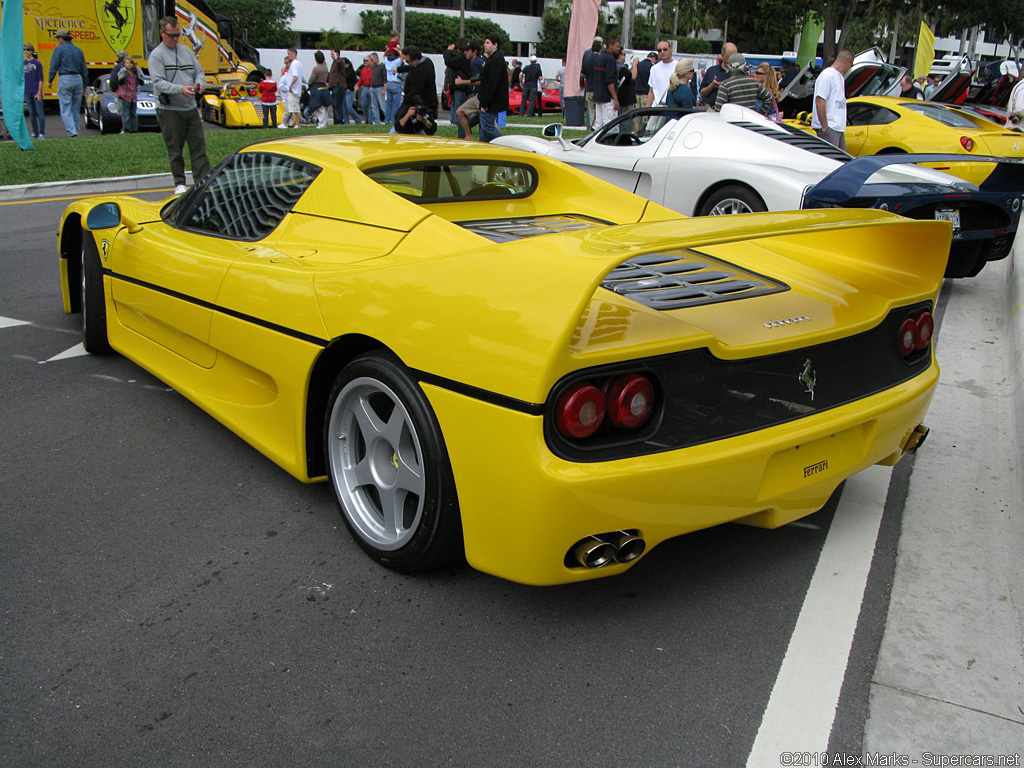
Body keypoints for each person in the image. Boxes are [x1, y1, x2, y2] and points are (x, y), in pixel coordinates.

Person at [148, 16, 211, 194]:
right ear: (162, 33)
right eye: (171, 35)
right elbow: (158, 82)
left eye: (178, 35)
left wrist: (200, 84)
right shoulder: (157, 56)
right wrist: (180, 89)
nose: (175, 39)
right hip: (169, 109)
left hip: (190, 107)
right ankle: (180, 183)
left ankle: (203, 180)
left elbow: (199, 72)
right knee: (175, 148)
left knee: (198, 146)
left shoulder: (186, 52)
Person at [47, 29, 89, 138]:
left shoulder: (58, 50)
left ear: (61, 39)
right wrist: (85, 83)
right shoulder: (78, 50)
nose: (57, 40)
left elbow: (54, 65)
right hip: (78, 78)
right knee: (75, 107)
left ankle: (72, 131)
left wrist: (50, 80)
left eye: (58, 38)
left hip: (65, 78)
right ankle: (76, 130)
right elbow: (84, 68)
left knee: (65, 107)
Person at [812, 49, 853, 149]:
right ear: (848, 62)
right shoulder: (827, 75)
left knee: (840, 159)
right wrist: (825, 126)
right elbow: (820, 100)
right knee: (830, 159)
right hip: (830, 126)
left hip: (838, 127)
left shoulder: (840, 77)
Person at [477, 34, 508, 142]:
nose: (484, 45)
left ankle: (506, 144)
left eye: (488, 43)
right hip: (496, 103)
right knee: (484, 130)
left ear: (495, 45)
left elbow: (492, 83)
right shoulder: (494, 59)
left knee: (487, 127)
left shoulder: (496, 60)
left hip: (493, 104)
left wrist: (485, 103)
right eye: (484, 42)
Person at [455, 42, 486, 140]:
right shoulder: (480, 61)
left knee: (460, 112)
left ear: (474, 52)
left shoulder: (475, 63)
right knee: (487, 123)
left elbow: (480, 81)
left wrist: (461, 82)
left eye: (468, 51)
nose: (465, 53)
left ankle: (468, 136)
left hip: (482, 97)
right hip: (483, 96)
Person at [590, 38, 620, 129]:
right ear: (610, 46)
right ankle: (608, 142)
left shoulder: (599, 58)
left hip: (598, 95)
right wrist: (615, 98)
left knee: (599, 123)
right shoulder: (610, 60)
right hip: (607, 97)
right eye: (617, 46)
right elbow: (609, 80)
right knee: (610, 124)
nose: (618, 48)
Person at [699, 41, 737, 110]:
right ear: (722, 55)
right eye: (729, 56)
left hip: (733, 111)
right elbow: (702, 94)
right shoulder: (712, 71)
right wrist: (712, 86)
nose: (732, 59)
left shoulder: (739, 73)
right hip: (713, 110)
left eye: (735, 56)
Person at [115, 53, 141, 132]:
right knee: (126, 114)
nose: (129, 65)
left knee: (133, 113)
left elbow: (140, 80)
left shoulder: (135, 72)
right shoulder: (123, 71)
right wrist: (124, 75)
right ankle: (127, 129)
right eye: (127, 63)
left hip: (133, 95)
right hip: (125, 95)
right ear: (124, 64)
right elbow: (120, 81)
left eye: (131, 63)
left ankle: (134, 129)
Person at [23, 43, 45, 139]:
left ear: (32, 51)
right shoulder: (23, 64)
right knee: (31, 113)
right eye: (24, 50)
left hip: (36, 91)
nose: (26, 51)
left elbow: (41, 79)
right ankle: (34, 132)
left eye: (28, 50)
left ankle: (41, 132)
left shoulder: (37, 63)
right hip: (27, 91)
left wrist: (39, 92)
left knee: (39, 112)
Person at [646, 40, 676, 107]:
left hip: (673, 108)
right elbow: (651, 91)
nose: (662, 52)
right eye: (659, 50)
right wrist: (646, 110)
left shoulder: (678, 66)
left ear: (670, 49)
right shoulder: (654, 69)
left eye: (665, 49)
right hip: (656, 108)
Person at [280, 47, 304, 128]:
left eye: (289, 54)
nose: (288, 55)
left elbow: (295, 76)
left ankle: (297, 124)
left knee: (295, 108)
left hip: (293, 89)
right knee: (291, 108)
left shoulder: (294, 64)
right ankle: (285, 123)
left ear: (293, 53)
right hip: (297, 89)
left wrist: (290, 86)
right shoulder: (299, 63)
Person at [581, 38, 603, 126]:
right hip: (599, 89)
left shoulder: (587, 60)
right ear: (600, 49)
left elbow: (582, 74)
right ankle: (597, 127)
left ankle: (590, 126)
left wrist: (588, 76)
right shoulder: (601, 60)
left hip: (589, 88)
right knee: (599, 111)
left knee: (591, 110)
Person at [308, 50, 330, 128]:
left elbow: (311, 79)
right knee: (324, 106)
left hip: (317, 87)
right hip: (324, 87)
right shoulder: (325, 68)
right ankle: (324, 123)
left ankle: (321, 124)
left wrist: (309, 83)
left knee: (318, 107)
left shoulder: (316, 69)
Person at [383, 44, 403, 124]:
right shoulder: (396, 63)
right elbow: (402, 57)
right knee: (396, 104)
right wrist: (398, 50)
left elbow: (384, 56)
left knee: (388, 104)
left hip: (389, 83)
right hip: (395, 83)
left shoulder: (387, 62)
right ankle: (393, 120)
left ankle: (387, 120)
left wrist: (387, 50)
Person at [328, 49, 346, 124]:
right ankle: (336, 120)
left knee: (337, 104)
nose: (331, 56)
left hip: (339, 85)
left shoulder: (340, 61)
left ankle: (339, 120)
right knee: (335, 104)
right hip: (334, 86)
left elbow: (339, 62)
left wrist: (336, 57)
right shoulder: (334, 63)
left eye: (332, 54)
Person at [368, 53, 386, 124]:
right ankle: (377, 121)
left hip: (379, 87)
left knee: (382, 105)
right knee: (374, 106)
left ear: (376, 58)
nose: (371, 61)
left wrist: (384, 89)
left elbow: (385, 78)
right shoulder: (374, 67)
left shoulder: (382, 66)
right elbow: (373, 77)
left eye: (372, 59)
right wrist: (371, 87)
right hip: (374, 87)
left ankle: (387, 119)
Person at [356, 56, 373, 123]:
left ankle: (370, 120)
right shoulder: (363, 69)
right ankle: (367, 118)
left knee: (371, 105)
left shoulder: (374, 69)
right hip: (365, 87)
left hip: (371, 87)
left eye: (367, 61)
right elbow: (361, 79)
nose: (365, 62)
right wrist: (358, 85)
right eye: (364, 61)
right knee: (363, 104)